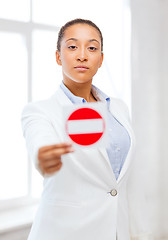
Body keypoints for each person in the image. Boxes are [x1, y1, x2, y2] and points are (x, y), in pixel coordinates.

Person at [21, 18, 152, 240]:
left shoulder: (118, 108)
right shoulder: (40, 111)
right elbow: (40, 142)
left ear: (100, 59)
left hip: (116, 231)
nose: (82, 55)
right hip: (65, 232)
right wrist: (43, 156)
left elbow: (123, 180)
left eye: (92, 48)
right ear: (58, 56)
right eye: (72, 47)